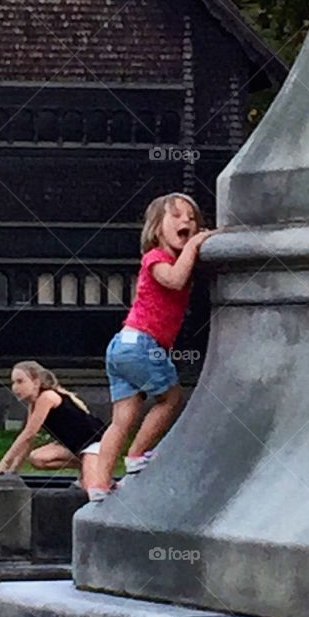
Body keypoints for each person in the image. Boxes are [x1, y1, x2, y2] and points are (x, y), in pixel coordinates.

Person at [87, 192, 212, 501]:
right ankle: (137, 454)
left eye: (192, 218)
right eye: (177, 216)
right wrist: (195, 244)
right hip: (142, 344)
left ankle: (99, 484)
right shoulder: (155, 258)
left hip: (123, 345)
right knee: (171, 398)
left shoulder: (172, 257)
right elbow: (175, 280)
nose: (186, 221)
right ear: (156, 228)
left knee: (122, 419)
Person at [0, 361, 105, 489]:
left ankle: (94, 465)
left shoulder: (47, 397)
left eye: (20, 381)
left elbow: (28, 435)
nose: (15, 387)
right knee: (37, 458)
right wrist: (13, 471)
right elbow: (29, 439)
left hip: (94, 443)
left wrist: (2, 465)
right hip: (74, 446)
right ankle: (87, 465)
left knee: (91, 488)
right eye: (13, 382)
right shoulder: (33, 404)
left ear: (36, 382)